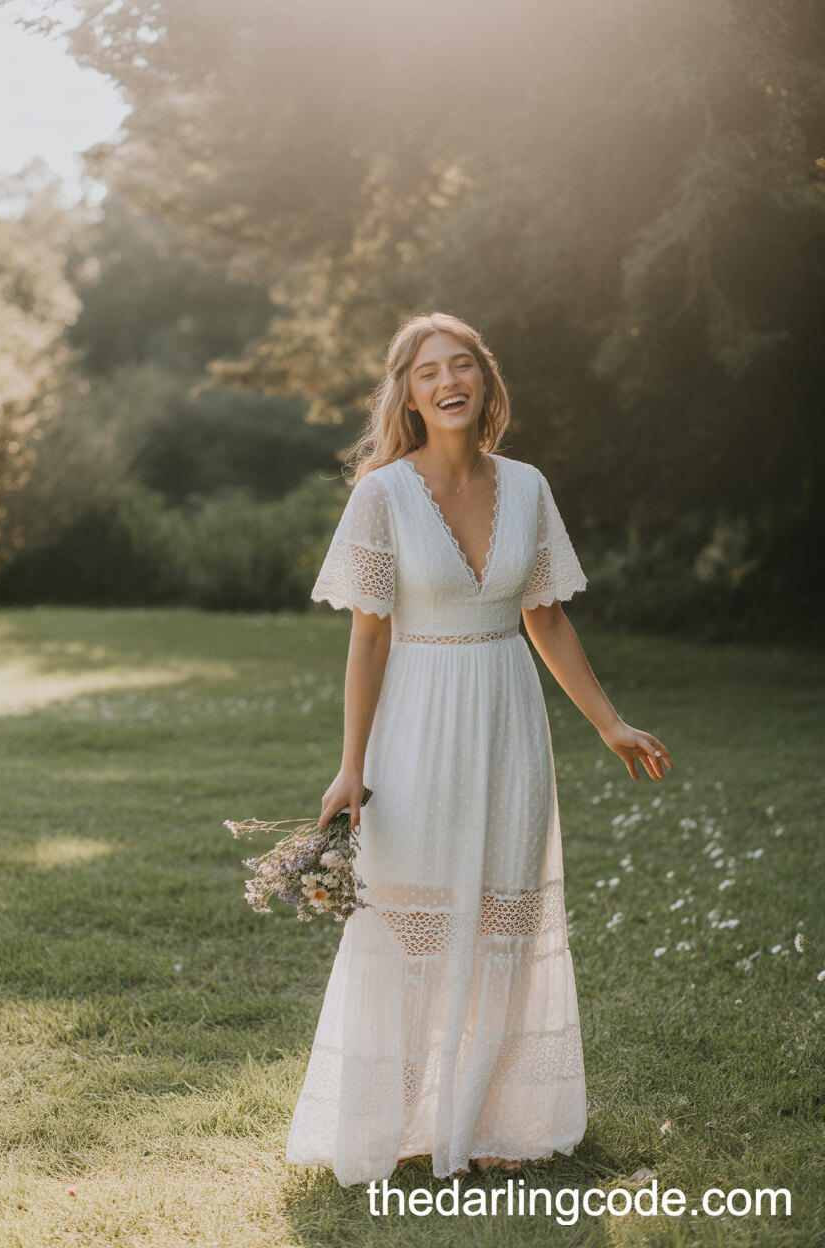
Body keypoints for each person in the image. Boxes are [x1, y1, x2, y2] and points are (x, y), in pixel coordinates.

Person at [285, 311, 673, 1187]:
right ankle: (398, 1119)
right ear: (409, 394)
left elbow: (545, 616)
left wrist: (609, 723)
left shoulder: (529, 487)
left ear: (485, 382)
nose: (448, 380)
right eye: (429, 372)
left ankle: (493, 1119)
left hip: (508, 719)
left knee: (504, 917)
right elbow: (370, 638)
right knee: (411, 924)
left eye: (463, 365)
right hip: (416, 723)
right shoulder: (381, 494)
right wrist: (351, 766)